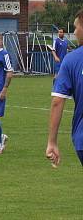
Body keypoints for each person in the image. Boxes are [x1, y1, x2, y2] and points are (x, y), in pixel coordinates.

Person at [46, 10, 83, 169]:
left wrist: (52, 141)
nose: (74, 32)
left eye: (76, 27)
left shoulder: (72, 59)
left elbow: (57, 101)